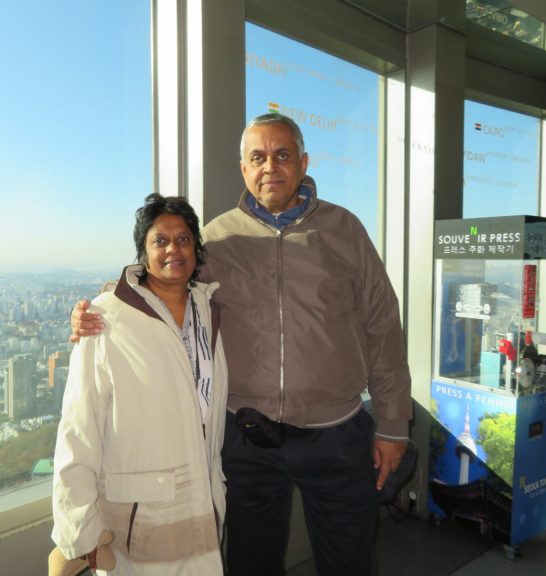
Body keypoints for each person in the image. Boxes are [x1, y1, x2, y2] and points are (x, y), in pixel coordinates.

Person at [71, 114, 412, 575]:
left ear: (303, 162)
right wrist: (102, 311)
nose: (270, 166)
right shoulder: (218, 237)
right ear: (243, 169)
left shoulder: (343, 230)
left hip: (337, 435)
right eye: (258, 157)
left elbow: (383, 326)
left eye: (282, 155)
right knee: (251, 564)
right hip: (249, 440)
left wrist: (393, 425)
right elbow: (166, 284)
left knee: (349, 563)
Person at [51, 193, 227, 576]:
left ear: (196, 248)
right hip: (139, 519)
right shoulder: (107, 317)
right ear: (142, 252)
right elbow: (78, 430)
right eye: (159, 240)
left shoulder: (207, 308)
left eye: (183, 239)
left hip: (203, 502)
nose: (172, 249)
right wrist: (80, 533)